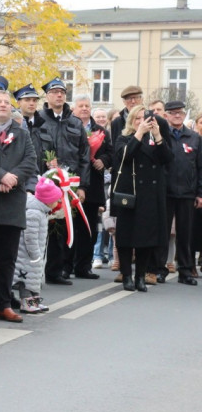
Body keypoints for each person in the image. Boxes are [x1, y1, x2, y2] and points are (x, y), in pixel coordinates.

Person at [0, 91, 38, 323]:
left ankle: (3, 304)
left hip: (12, 203)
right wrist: (1, 176)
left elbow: (31, 161)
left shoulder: (21, 133)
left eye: (7, 102)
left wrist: (13, 177)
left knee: (7, 258)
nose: (3, 105)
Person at [32, 77, 89, 286]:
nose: (59, 95)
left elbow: (84, 156)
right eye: (54, 91)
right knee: (38, 229)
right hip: (43, 184)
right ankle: (32, 273)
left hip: (67, 186)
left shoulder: (74, 122)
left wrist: (82, 185)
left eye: (62, 92)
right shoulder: (38, 119)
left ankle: (56, 271)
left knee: (60, 228)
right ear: (47, 96)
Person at [112, 105, 172, 291]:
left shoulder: (155, 139)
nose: (142, 122)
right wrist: (139, 133)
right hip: (130, 194)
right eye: (137, 118)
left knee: (146, 239)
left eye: (145, 118)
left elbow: (168, 159)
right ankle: (127, 276)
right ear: (131, 121)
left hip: (150, 197)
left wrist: (158, 136)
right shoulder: (125, 138)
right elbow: (126, 155)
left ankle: (140, 276)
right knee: (125, 238)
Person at [70, 95, 112, 279]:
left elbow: (111, 152)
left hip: (93, 185)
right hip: (71, 182)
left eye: (87, 105)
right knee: (70, 227)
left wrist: (103, 160)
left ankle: (84, 266)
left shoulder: (100, 131)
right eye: (81, 106)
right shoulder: (69, 126)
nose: (85, 108)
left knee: (89, 228)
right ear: (74, 109)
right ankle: (67, 265)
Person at [162, 100, 202, 285]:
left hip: (187, 192)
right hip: (165, 192)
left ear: (185, 115)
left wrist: (199, 193)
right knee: (162, 233)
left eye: (180, 112)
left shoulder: (194, 137)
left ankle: (185, 270)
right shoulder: (161, 136)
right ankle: (159, 268)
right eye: (173, 113)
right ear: (166, 116)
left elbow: (200, 167)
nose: (177, 115)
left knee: (185, 234)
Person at [15, 178, 63, 313]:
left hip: (34, 254)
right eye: (57, 199)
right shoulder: (34, 213)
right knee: (26, 279)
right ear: (48, 200)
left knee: (34, 279)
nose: (59, 202)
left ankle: (34, 301)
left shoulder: (41, 211)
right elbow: (29, 237)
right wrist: (35, 254)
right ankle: (26, 302)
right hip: (28, 254)